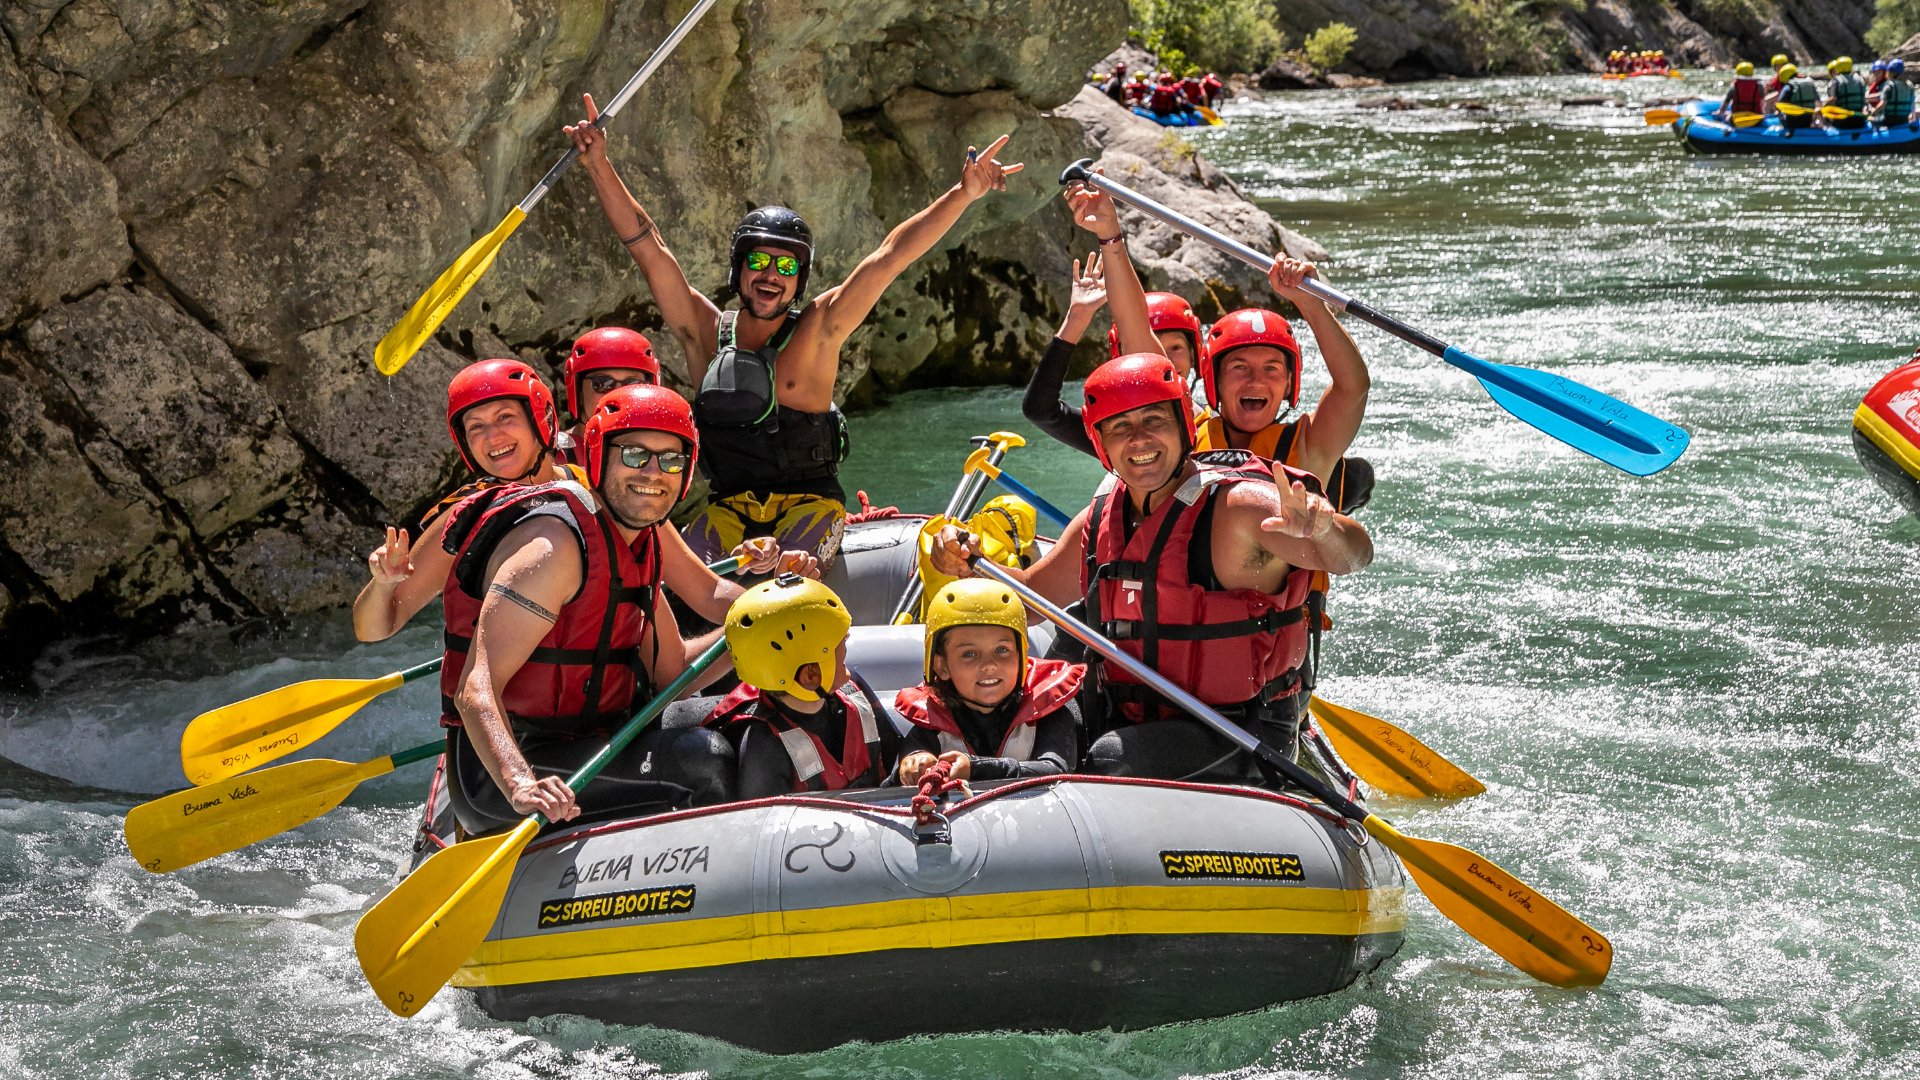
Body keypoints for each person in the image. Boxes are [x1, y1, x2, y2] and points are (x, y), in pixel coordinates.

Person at [563, 95, 1023, 570]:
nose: (770, 275)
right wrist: (599, 162)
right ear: (739, 270)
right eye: (758, 261)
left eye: (786, 266)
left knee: (791, 574)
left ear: (799, 281)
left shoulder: (823, 327)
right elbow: (649, 247)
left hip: (813, 507)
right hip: (727, 510)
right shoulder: (702, 331)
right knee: (679, 585)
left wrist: (963, 193)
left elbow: (891, 256)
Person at [931, 352, 1374, 783]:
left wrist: (1323, 528)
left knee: (1109, 757)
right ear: (1101, 442)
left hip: (1239, 731)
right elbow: (1027, 600)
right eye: (1121, 426)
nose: (1139, 439)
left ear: (1185, 427)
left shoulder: (1239, 509)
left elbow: (1353, 556)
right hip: (1131, 713)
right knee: (1052, 685)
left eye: (1154, 421)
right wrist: (969, 564)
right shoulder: (1102, 516)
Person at [437, 384, 737, 833]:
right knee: (704, 759)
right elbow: (475, 689)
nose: (654, 473)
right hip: (504, 774)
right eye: (635, 456)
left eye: (671, 460)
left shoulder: (640, 541)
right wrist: (520, 784)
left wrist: (754, 625)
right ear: (598, 458)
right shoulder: (554, 549)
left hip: (592, 738)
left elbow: (673, 676)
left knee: (745, 715)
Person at [559, 326, 820, 625]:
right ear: (576, 389)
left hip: (633, 618)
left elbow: (703, 587)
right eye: (602, 383)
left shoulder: (647, 488)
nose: (617, 392)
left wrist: (786, 608)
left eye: (631, 381)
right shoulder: (553, 468)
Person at [353, 359, 583, 643]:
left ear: (540, 419)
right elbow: (371, 631)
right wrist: (383, 584)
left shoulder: (592, 491)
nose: (492, 436)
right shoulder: (464, 521)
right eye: (476, 427)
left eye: (505, 417)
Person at [703, 575, 904, 797]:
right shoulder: (764, 746)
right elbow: (762, 825)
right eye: (840, 643)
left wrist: (912, 762)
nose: (846, 647)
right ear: (811, 675)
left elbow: (898, 755)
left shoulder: (852, 689)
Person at [1192, 261, 1371, 497]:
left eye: (1271, 369)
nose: (1256, 381)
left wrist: (1311, 304)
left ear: (1289, 383)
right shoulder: (1186, 434)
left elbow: (1353, 386)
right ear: (1215, 379)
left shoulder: (1307, 448)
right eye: (1240, 367)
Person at [894, 579, 1084, 786]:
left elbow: (1056, 771)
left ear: (1021, 656)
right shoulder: (931, 722)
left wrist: (975, 769)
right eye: (969, 654)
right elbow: (889, 787)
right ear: (942, 667)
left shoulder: (1051, 712)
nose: (989, 665)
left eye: (1002, 650)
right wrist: (912, 767)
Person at [1770, 63, 1819, 129]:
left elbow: (1779, 105)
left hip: (1793, 123)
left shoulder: (1788, 86)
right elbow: (1818, 103)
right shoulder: (1810, 83)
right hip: (1808, 121)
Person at [1825, 56, 1867, 130]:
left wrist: (1822, 107)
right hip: (1860, 121)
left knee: (1826, 120)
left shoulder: (1836, 80)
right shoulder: (1860, 79)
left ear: (1838, 67)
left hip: (1843, 122)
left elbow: (1833, 99)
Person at [1869, 59, 1914, 124]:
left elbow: (1882, 104)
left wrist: (1873, 113)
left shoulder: (1889, 85)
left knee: (1872, 121)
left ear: (1890, 73)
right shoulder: (1909, 85)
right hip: (1904, 120)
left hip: (1890, 121)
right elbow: (1912, 104)